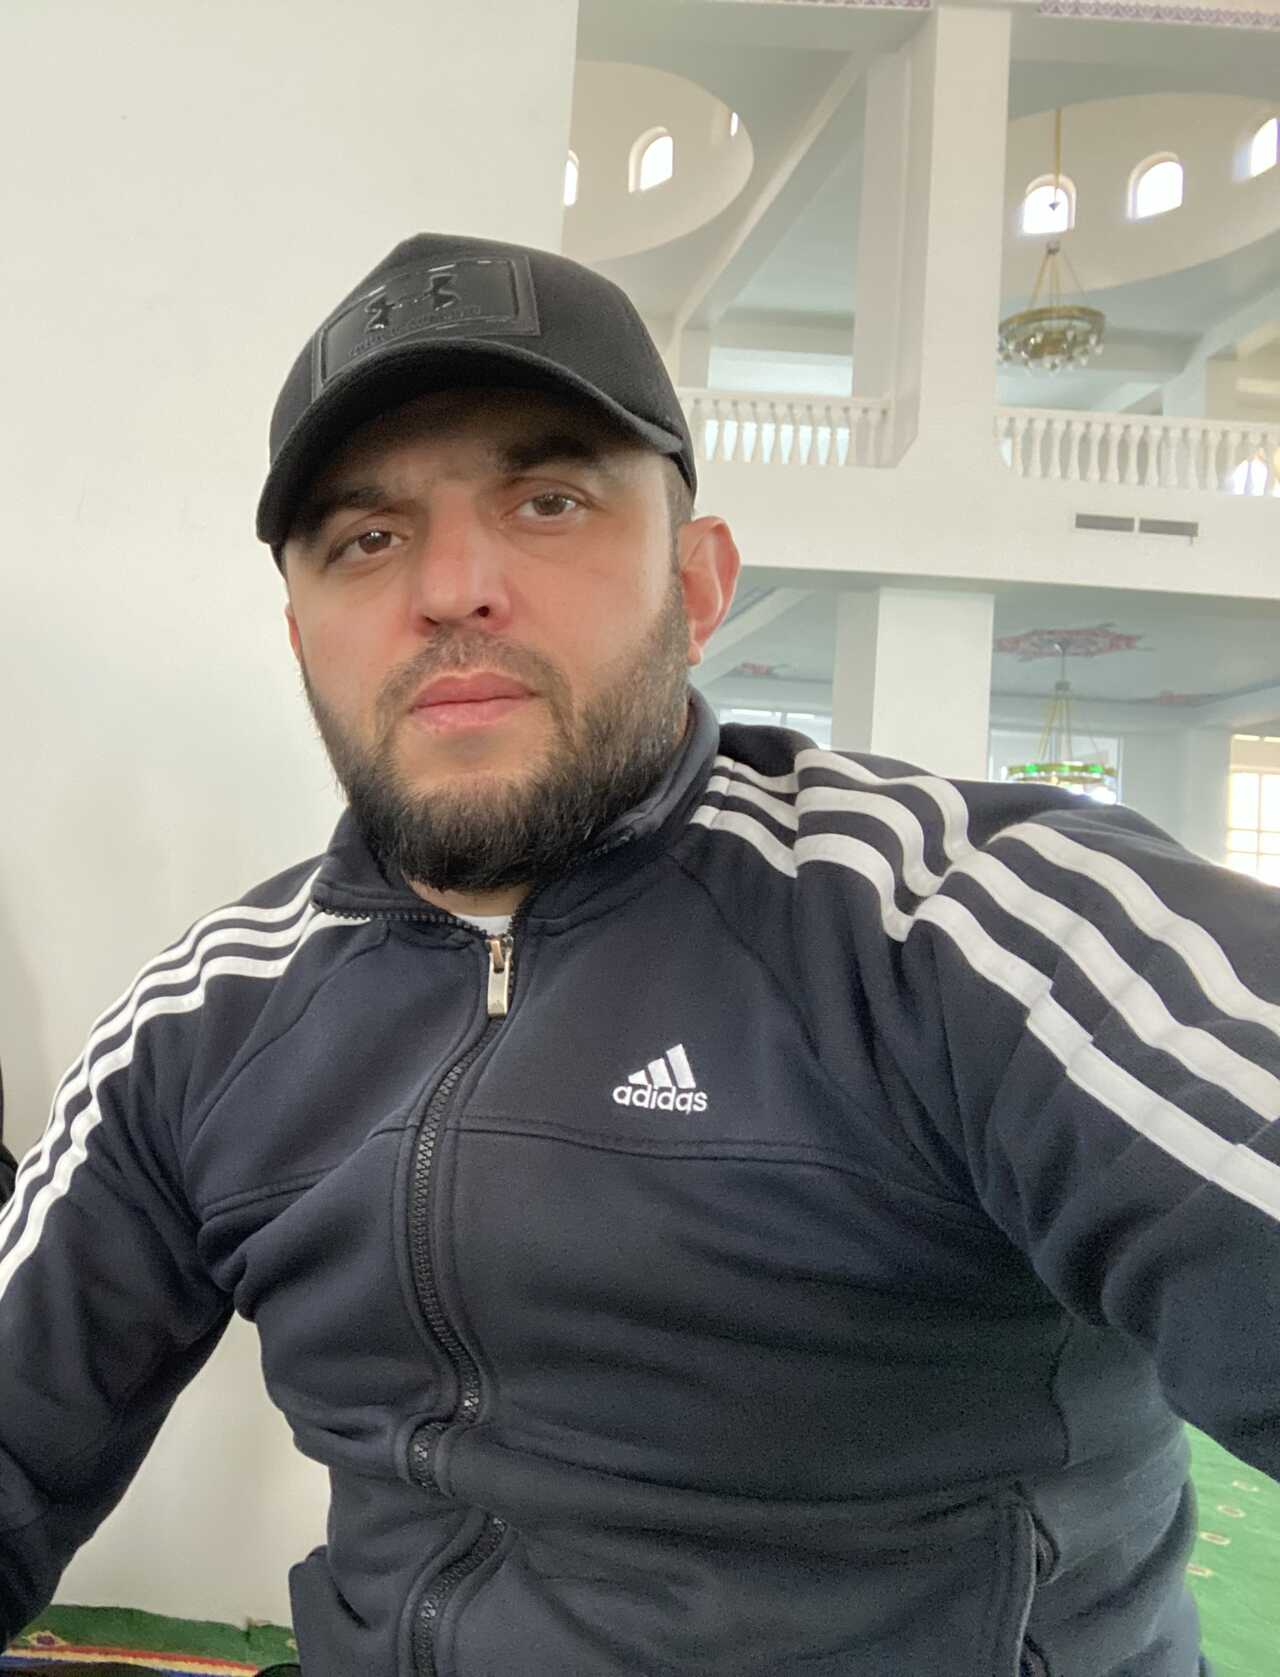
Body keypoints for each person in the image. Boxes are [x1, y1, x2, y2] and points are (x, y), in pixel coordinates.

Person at [0, 231, 1275, 1677]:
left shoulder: (965, 925)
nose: (453, 585)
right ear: (303, 637)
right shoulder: (205, 1020)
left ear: (699, 582)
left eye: (547, 501)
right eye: (368, 538)